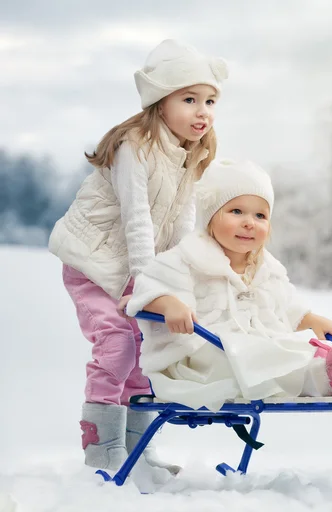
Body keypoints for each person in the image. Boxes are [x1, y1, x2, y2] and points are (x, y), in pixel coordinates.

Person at [122, 159, 332, 413]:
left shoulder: (264, 266)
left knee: (302, 349)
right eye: (236, 211)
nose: (249, 222)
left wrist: (307, 319)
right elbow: (149, 285)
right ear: (209, 218)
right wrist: (168, 303)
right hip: (204, 361)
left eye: (260, 215)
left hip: (257, 349)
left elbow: (285, 302)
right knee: (285, 358)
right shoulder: (186, 258)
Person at [48, 39, 228, 473]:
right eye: (189, 99)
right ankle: (102, 451)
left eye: (209, 100)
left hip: (135, 270)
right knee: (117, 346)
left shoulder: (190, 154)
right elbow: (138, 221)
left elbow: (183, 226)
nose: (202, 111)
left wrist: (182, 280)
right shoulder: (136, 145)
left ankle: (138, 451)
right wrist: (153, 286)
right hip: (94, 265)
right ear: (159, 103)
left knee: (148, 355)